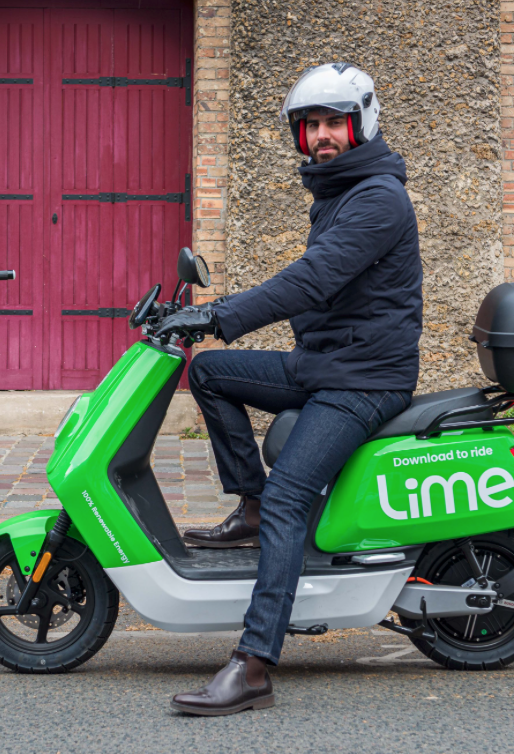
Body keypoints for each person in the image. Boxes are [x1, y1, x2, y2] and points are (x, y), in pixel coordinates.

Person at [163, 62, 422, 716]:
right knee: (212, 374)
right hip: (325, 365)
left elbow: (312, 280)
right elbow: (310, 282)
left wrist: (217, 315)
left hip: (363, 382)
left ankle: (254, 665)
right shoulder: (340, 190)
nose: (323, 136)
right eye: (312, 126)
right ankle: (248, 505)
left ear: (362, 124)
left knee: (291, 499)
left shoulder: (378, 198)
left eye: (335, 122)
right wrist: (199, 320)